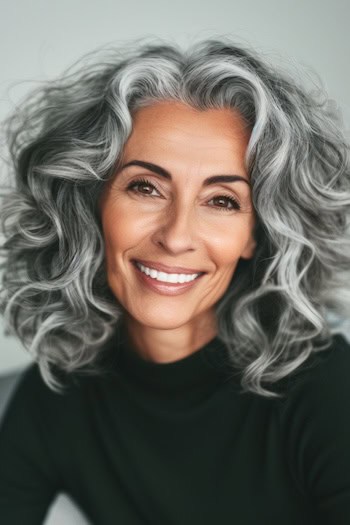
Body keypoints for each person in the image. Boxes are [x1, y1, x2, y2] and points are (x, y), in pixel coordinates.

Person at [0, 36, 349, 524]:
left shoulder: (326, 390)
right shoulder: (56, 396)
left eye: (222, 201)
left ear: (256, 233)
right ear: (92, 202)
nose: (177, 236)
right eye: (145, 187)